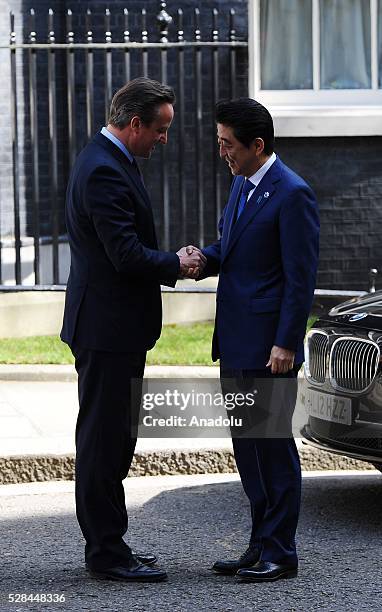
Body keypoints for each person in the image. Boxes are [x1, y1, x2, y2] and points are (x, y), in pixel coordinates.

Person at [60, 77, 205, 583]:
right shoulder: (103, 169)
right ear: (135, 122)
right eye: (160, 129)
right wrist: (178, 263)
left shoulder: (111, 160)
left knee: (117, 439)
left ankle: (113, 544)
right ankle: (105, 554)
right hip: (106, 330)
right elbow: (124, 255)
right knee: (104, 442)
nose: (164, 139)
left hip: (114, 328)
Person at [200, 98, 319, 582]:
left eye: (228, 144)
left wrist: (287, 342)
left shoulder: (292, 194)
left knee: (272, 447)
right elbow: (231, 249)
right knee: (247, 448)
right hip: (236, 342)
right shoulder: (241, 185)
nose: (222, 152)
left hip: (271, 349)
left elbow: (300, 277)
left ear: (257, 145)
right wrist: (199, 260)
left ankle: (281, 552)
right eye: (220, 143)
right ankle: (258, 544)